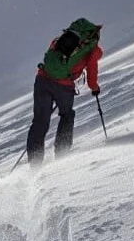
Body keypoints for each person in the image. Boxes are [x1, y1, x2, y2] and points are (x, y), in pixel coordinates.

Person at [27, 18, 103, 164]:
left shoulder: (58, 41)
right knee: (67, 115)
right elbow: (92, 76)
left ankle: (34, 162)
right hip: (64, 86)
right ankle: (62, 155)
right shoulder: (92, 50)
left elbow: (51, 57)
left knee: (40, 122)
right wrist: (95, 88)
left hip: (42, 80)